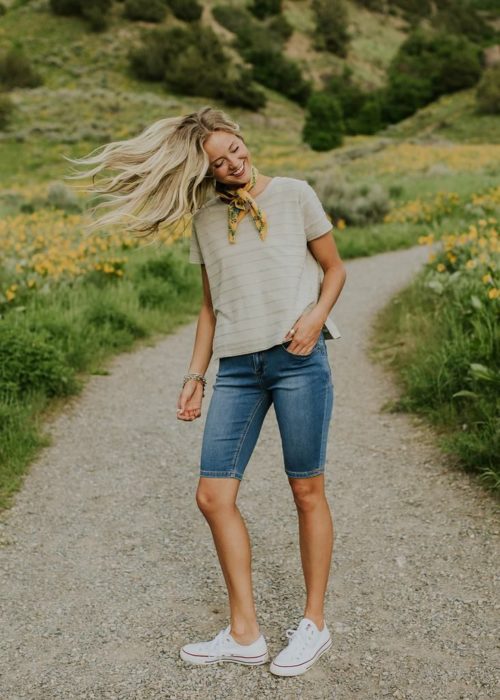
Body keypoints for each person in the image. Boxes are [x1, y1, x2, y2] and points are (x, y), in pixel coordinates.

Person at [67, 105, 346, 677]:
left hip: (298, 360)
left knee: (306, 490)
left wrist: (316, 316)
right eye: (219, 164)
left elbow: (334, 269)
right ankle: (245, 633)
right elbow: (207, 305)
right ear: (206, 172)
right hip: (238, 370)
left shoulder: (294, 194)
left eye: (235, 152)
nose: (234, 165)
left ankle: (313, 623)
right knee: (212, 496)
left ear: (243, 141)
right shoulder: (205, 219)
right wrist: (195, 376)